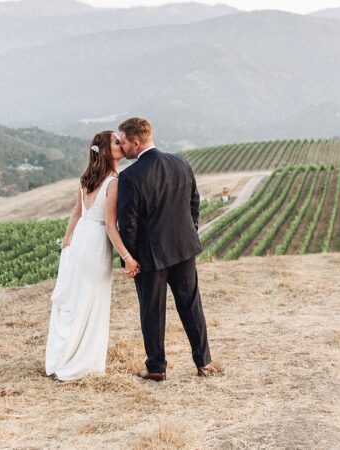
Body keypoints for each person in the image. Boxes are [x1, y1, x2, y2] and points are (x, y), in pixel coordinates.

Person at [116, 117, 218, 381]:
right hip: (184, 249)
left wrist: (129, 258)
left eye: (124, 141)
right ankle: (204, 363)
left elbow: (128, 223)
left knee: (152, 311)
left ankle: (157, 367)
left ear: (136, 143)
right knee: (191, 305)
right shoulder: (180, 162)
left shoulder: (130, 177)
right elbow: (194, 202)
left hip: (150, 257)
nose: (122, 146)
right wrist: (188, 234)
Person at [44, 130, 131, 381]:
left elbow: (76, 214)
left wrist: (68, 242)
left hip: (80, 241)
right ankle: (83, 362)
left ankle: (63, 357)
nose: (121, 145)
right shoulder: (114, 182)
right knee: (92, 301)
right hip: (95, 246)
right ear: (106, 151)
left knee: (76, 301)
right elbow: (110, 226)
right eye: (116, 142)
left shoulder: (87, 179)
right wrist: (126, 256)